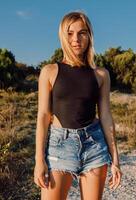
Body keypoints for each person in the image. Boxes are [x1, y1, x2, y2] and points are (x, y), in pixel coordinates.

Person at [34, 10, 122, 200]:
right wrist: (39, 160)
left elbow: (106, 116)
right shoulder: (49, 72)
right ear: (63, 36)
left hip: (94, 146)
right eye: (70, 33)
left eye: (82, 32)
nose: (76, 39)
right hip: (60, 146)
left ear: (89, 36)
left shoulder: (101, 75)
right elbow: (43, 116)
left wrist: (116, 159)